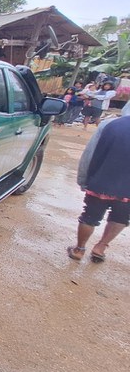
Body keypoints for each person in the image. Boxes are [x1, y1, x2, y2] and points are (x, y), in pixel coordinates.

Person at [68, 103, 130, 263]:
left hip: (102, 183)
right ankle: (100, 247)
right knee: (120, 218)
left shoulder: (110, 125)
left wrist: (83, 179)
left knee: (90, 216)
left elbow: (90, 154)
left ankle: (79, 249)